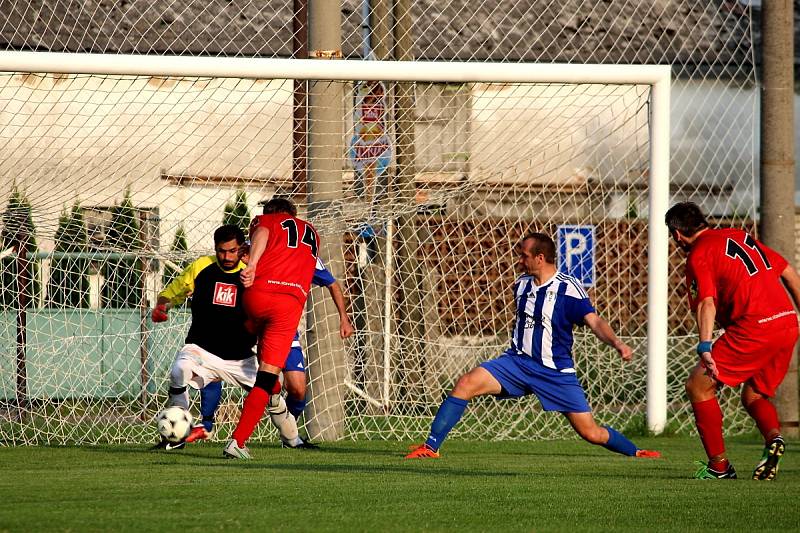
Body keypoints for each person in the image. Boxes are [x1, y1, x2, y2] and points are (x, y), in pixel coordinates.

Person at [406, 232, 660, 460]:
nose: (519, 261)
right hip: (516, 363)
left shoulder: (568, 288)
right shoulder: (522, 285)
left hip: (554, 372)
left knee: (590, 433)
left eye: (523, 256)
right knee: (465, 383)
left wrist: (616, 343)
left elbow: (593, 320)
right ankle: (431, 447)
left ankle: (635, 451)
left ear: (540, 258)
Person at [665, 202, 800, 480]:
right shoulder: (739, 235)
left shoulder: (699, 254)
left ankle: (719, 466)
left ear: (677, 235)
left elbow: (706, 302)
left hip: (754, 327)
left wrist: (704, 346)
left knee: (698, 385)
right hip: (787, 322)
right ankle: (774, 439)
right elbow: (787, 271)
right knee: (754, 395)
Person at [150, 225, 300, 450]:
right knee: (178, 371)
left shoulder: (253, 273)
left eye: (232, 251)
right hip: (201, 349)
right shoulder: (202, 266)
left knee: (272, 393)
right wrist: (162, 306)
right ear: (215, 248)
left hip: (241, 357)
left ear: (242, 249)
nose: (227, 256)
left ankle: (293, 440)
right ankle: (177, 436)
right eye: (221, 251)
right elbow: (173, 293)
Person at [196, 241, 354, 447]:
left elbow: (332, 283)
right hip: (248, 325)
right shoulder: (255, 248)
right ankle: (209, 425)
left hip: (283, 329)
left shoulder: (307, 256)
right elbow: (230, 263)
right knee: (222, 367)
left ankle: (289, 434)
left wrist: (344, 317)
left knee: (297, 389)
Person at [224, 197, 321, 459]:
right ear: (294, 213)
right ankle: (238, 442)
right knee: (267, 377)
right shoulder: (311, 234)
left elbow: (264, 230)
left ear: (271, 213)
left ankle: (272, 397)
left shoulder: (267, 221)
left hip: (256, 296)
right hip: (288, 305)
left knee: (246, 357)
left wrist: (252, 263)